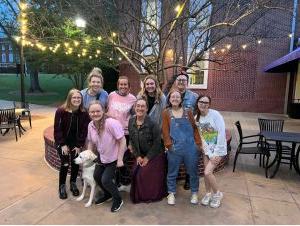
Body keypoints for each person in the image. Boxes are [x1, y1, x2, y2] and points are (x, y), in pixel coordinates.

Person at [162, 88, 202, 205]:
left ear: (181, 99)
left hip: (191, 147)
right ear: (169, 99)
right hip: (174, 148)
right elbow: (165, 130)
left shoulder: (188, 111)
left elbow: (194, 128)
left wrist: (197, 144)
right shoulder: (166, 112)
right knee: (172, 172)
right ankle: (171, 193)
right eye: (172, 97)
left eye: (177, 97)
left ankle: (194, 192)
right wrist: (169, 145)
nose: (175, 99)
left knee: (193, 171)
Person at [87, 101, 126, 212]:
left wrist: (120, 159)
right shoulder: (91, 125)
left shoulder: (111, 123)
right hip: (102, 156)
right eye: (92, 112)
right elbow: (90, 141)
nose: (95, 114)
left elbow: (123, 141)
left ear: (103, 111)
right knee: (97, 176)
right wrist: (89, 152)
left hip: (114, 157)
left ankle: (118, 199)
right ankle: (108, 194)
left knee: (106, 180)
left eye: (98, 111)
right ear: (89, 113)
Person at [128, 97, 167, 203]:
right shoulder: (131, 121)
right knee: (135, 171)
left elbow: (157, 143)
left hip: (155, 154)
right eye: (138, 106)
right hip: (141, 154)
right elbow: (131, 140)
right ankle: (140, 195)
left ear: (146, 109)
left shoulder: (153, 123)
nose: (140, 108)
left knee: (143, 173)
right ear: (135, 107)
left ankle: (149, 195)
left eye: (143, 106)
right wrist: (138, 156)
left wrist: (147, 158)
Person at [54, 89, 90, 199]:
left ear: (81, 99)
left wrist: (79, 145)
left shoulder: (84, 113)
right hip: (63, 141)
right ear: (70, 98)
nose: (76, 99)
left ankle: (73, 183)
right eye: (74, 97)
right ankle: (62, 186)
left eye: (79, 98)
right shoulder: (61, 111)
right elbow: (57, 129)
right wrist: (62, 144)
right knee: (65, 163)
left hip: (76, 142)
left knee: (75, 163)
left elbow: (84, 130)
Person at [195, 95, 227, 208]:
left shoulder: (215, 115)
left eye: (206, 102)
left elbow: (221, 133)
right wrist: (208, 151)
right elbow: (202, 138)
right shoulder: (197, 118)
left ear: (209, 104)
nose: (203, 104)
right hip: (207, 150)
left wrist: (216, 153)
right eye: (201, 101)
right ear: (197, 103)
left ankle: (217, 194)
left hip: (218, 149)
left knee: (208, 172)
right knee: (206, 173)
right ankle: (208, 194)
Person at [106, 76, 136, 192]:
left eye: (125, 84)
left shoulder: (133, 99)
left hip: (124, 133)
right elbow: (105, 109)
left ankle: (122, 182)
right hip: (110, 132)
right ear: (118, 85)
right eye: (121, 84)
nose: (123, 86)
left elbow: (134, 116)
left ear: (129, 86)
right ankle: (115, 181)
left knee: (121, 158)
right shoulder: (111, 95)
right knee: (111, 156)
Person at [173, 72, 199, 190]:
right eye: (179, 80)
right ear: (176, 82)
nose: (181, 82)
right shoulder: (171, 95)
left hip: (189, 133)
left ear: (187, 82)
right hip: (175, 132)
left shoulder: (194, 96)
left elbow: (199, 113)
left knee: (190, 156)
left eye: (184, 80)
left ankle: (188, 178)